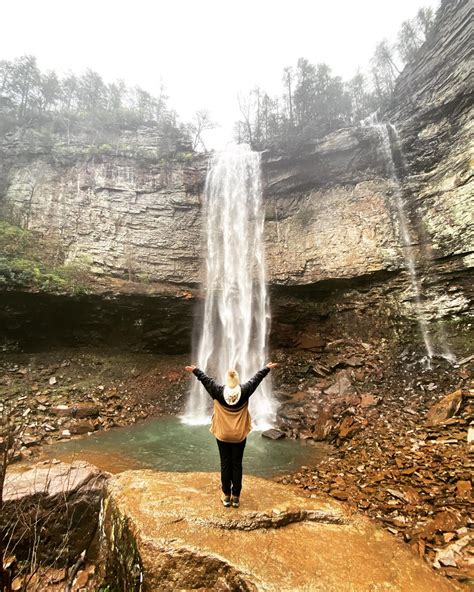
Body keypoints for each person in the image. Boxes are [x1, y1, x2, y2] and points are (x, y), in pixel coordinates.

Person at [185, 362, 277, 508]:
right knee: (237, 464)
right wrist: (266, 368)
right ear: (237, 380)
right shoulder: (245, 391)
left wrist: (195, 370)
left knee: (225, 463)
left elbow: (206, 380)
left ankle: (226, 496)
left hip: (222, 435)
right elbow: (256, 380)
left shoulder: (218, 391)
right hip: (239, 435)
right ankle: (236, 497)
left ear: (227, 381)